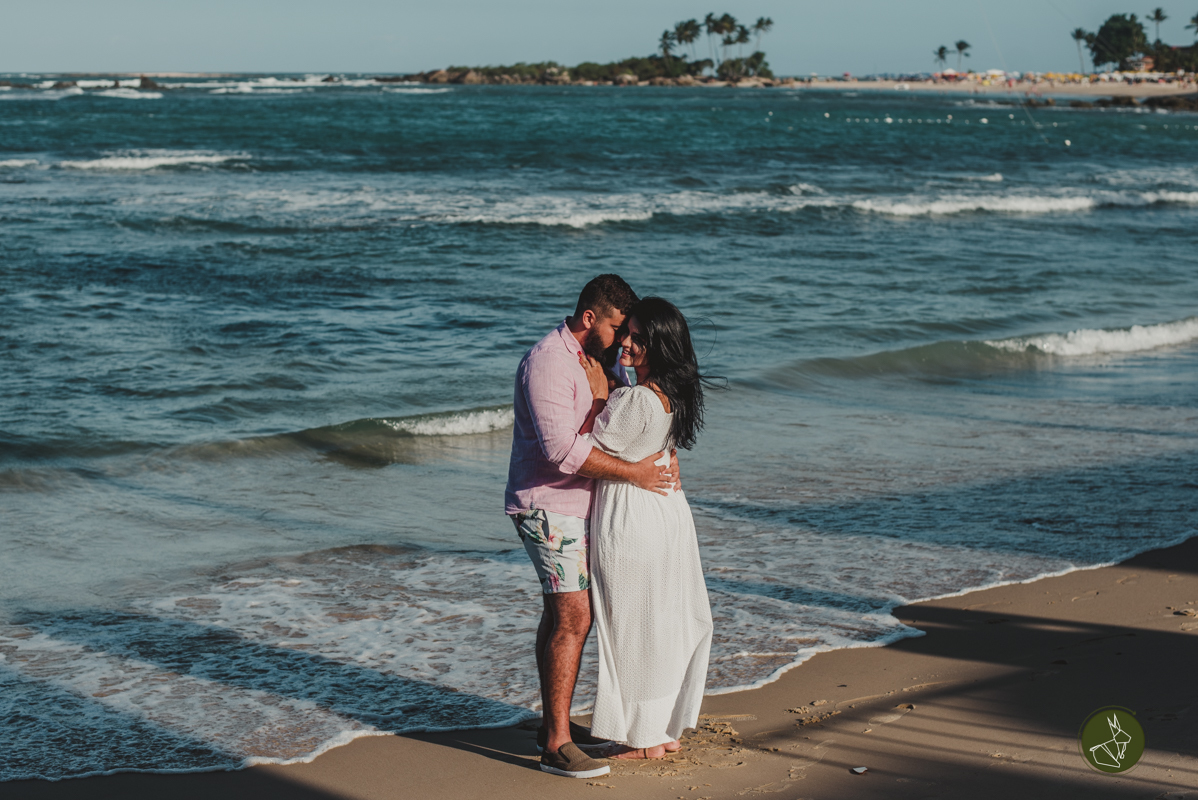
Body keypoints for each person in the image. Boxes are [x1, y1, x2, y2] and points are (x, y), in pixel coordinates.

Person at [505, 275, 680, 779]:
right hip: (547, 505)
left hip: (579, 507)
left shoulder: (601, 363)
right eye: (617, 327)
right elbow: (562, 453)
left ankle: (550, 725)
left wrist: (662, 453)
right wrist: (638, 474)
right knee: (575, 618)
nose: (625, 338)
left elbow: (626, 425)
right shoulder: (549, 363)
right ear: (590, 319)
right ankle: (556, 744)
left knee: (561, 615)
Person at [578, 297, 715, 760]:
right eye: (628, 332)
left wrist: (599, 394)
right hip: (666, 514)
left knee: (632, 627)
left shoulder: (636, 398)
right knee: (656, 622)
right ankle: (660, 730)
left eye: (639, 336)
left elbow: (587, 453)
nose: (627, 343)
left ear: (660, 344)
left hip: (633, 518)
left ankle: (642, 740)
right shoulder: (673, 395)